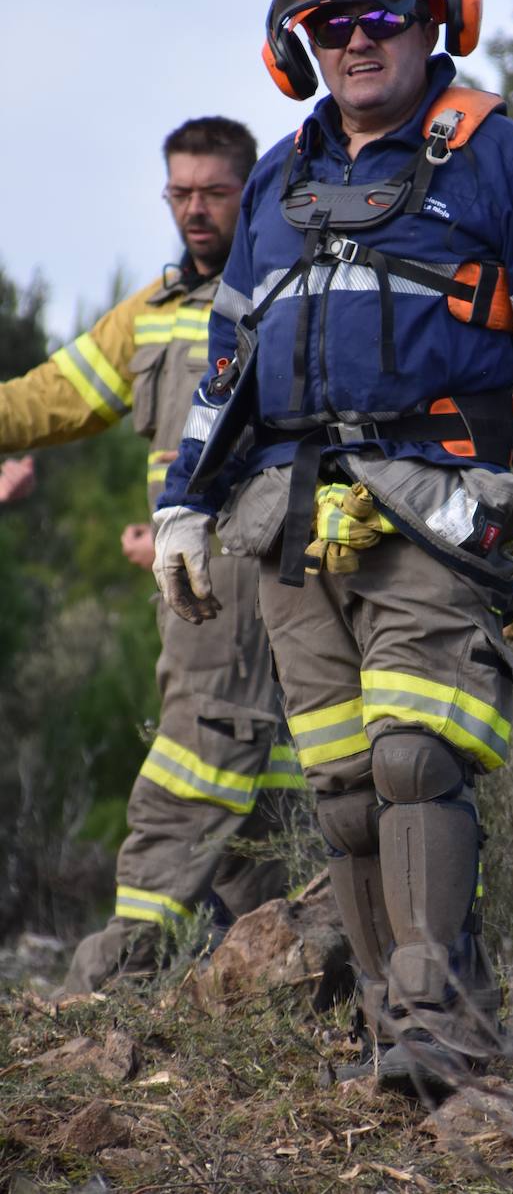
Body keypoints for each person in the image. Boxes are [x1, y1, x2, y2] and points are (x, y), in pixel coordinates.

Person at [152, 0, 513, 1095]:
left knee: (417, 757)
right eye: (329, 27)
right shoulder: (277, 177)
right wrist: (182, 505)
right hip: (293, 527)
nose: (355, 43)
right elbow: (227, 366)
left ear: (432, 23)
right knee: (345, 791)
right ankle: (396, 1037)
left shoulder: (499, 159)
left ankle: (437, 1028)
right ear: (295, 48)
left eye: (378, 19)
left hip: (438, 508)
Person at [0, 117, 306, 994]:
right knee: (260, 780)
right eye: (180, 193)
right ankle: (263, 987)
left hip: (277, 575)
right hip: (196, 592)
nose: (195, 210)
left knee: (227, 759)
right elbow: (50, 397)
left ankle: (117, 982)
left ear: (252, 191)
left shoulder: (293, 292)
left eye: (213, 191)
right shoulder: (155, 312)